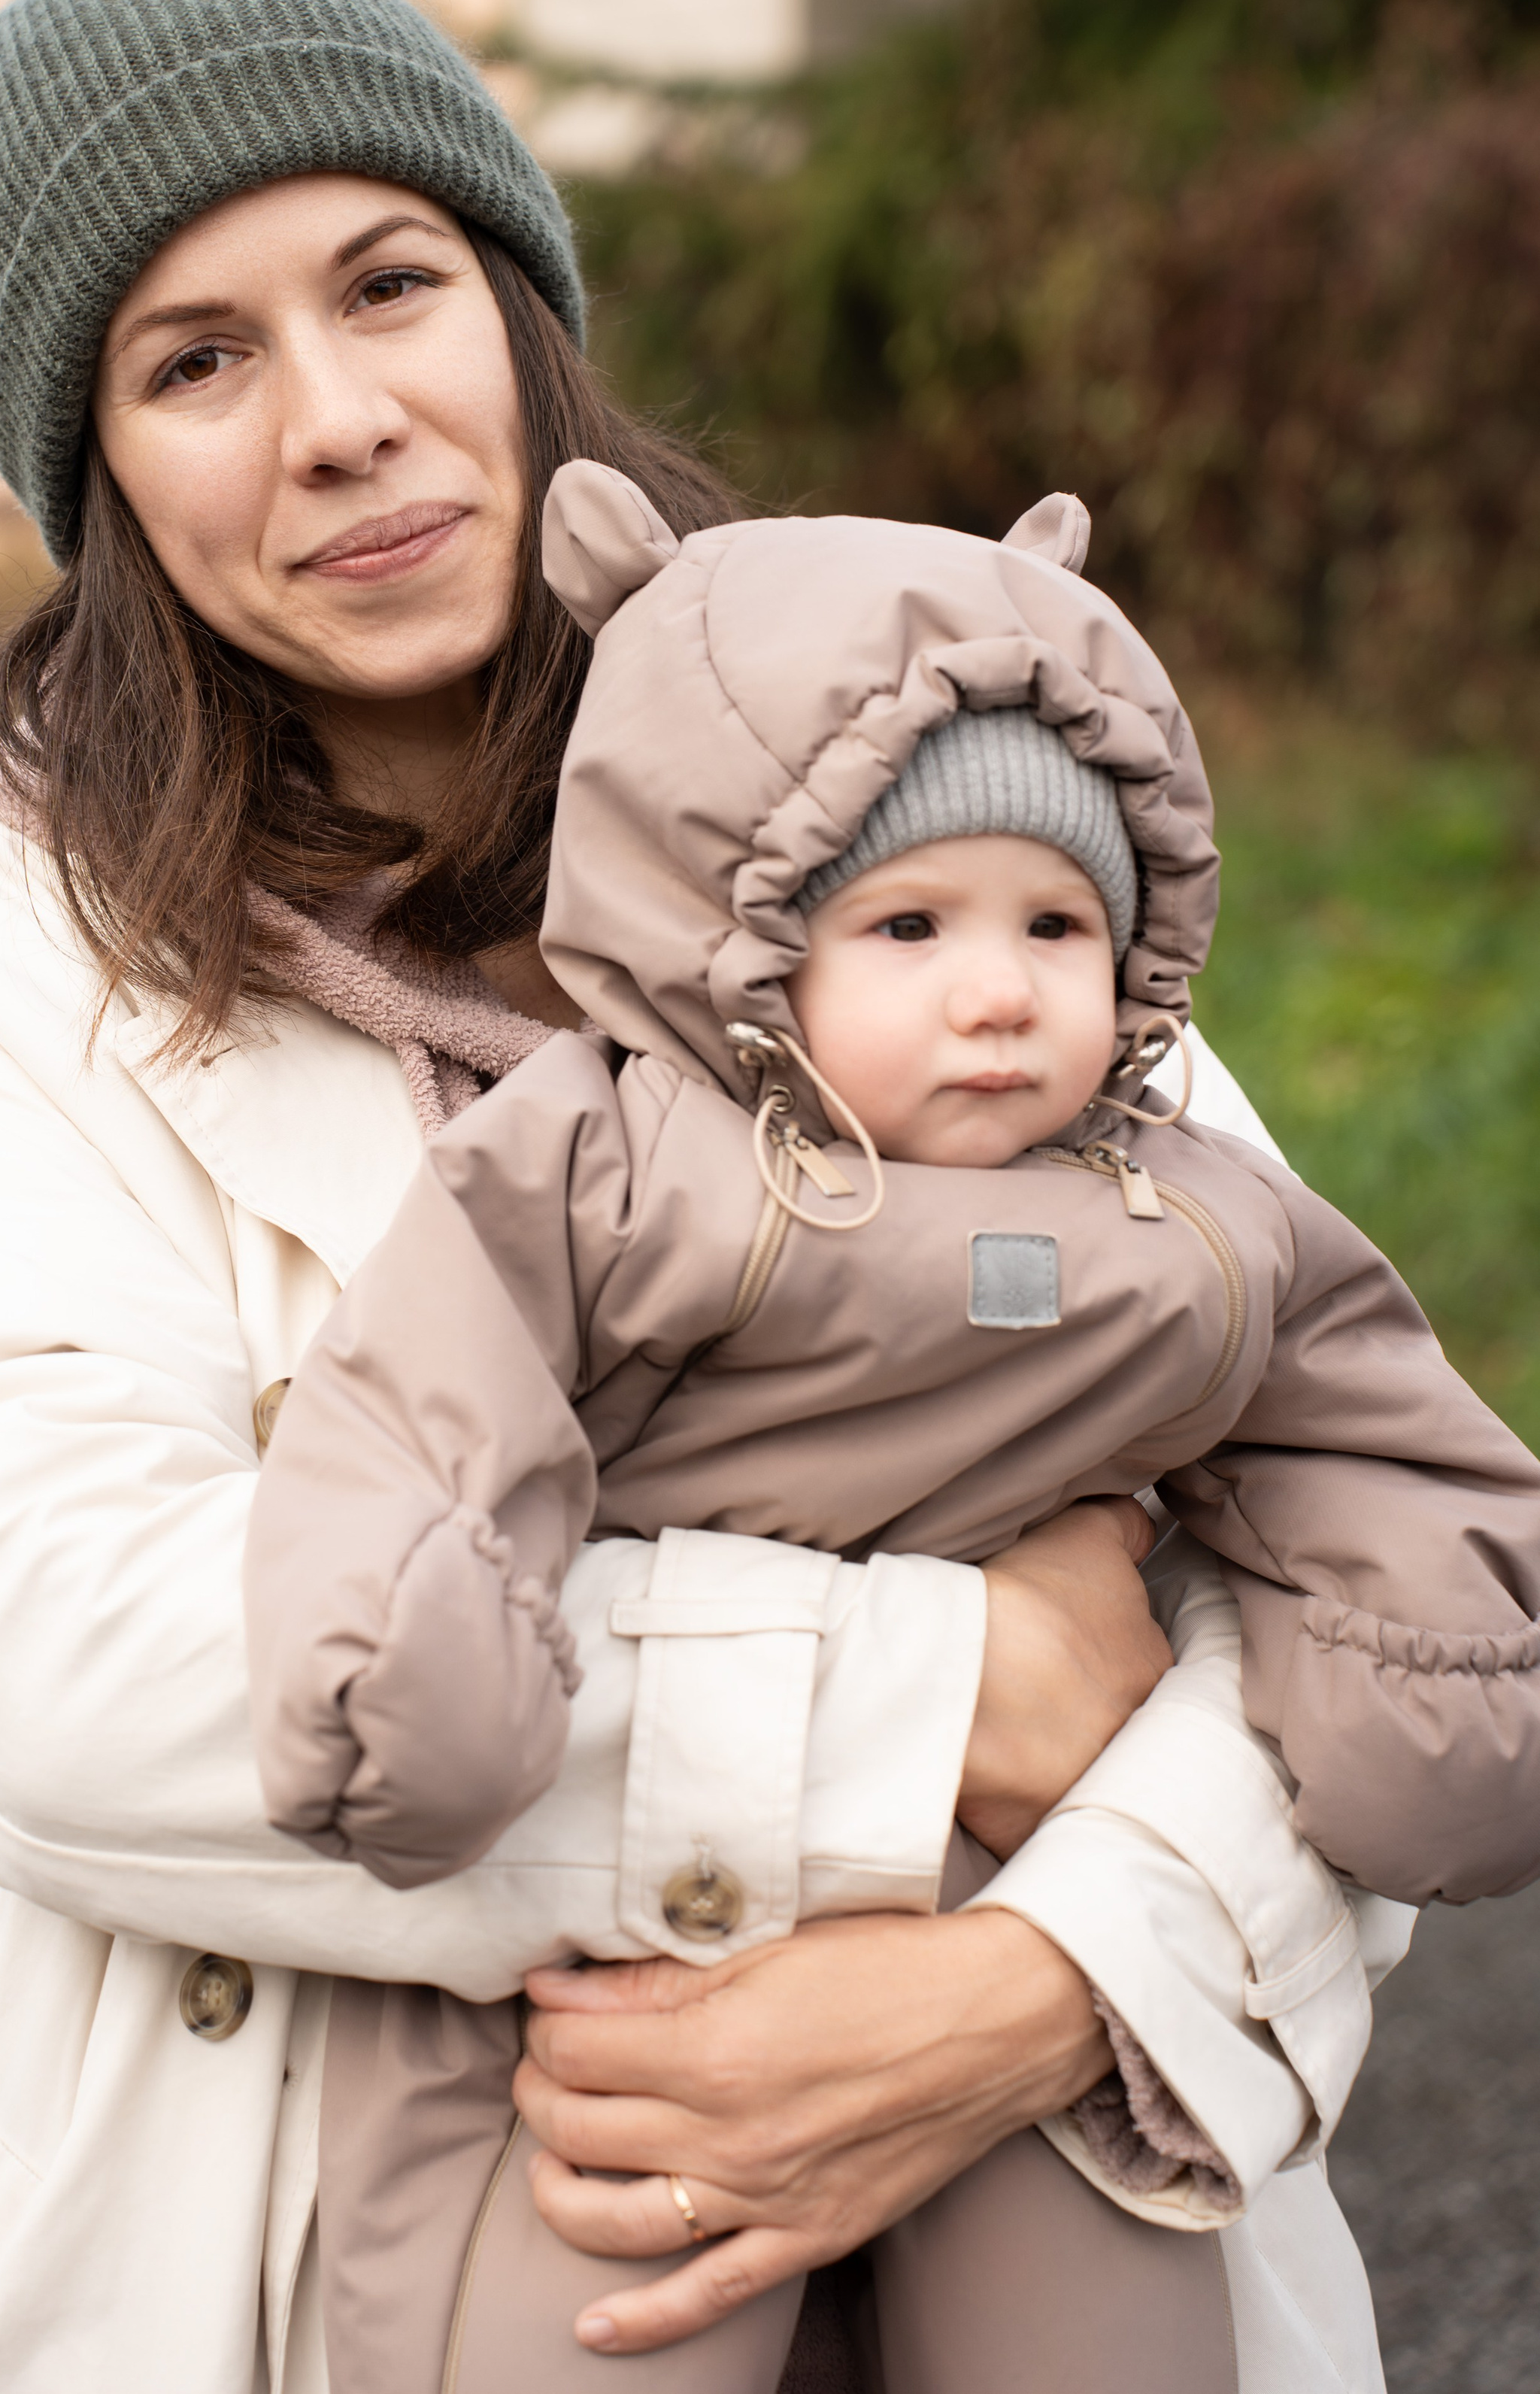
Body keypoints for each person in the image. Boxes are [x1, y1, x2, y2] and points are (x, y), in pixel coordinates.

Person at [0, 0, 1432, 2394]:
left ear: (520, 311)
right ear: (91, 463)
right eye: (193, 359)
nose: (334, 418)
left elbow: (1322, 1506)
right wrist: (934, 1702)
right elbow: (82, 1676)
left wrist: (1035, 1985)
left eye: (388, 280)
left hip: (1055, 2218)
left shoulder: (919, 754)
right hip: (252, 2259)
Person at [244, 462, 1540, 2389]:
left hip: (1017, 1931)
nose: (1000, 994)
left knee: (1092, 2331)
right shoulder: (614, 1160)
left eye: (1052, 925)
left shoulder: (1193, 1215)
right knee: (598, 2315)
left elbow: (1377, 1445)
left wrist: (1426, 1680)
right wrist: (421, 1653)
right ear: (736, 934)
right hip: (636, 1946)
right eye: (909, 926)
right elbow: (440, 1396)